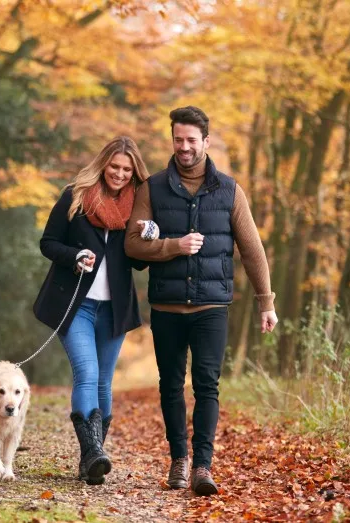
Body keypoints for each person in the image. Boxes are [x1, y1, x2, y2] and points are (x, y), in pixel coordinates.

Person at [125, 106, 279, 496]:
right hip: (166, 307)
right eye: (178, 140)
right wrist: (173, 247)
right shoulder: (152, 189)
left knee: (207, 386)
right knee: (171, 386)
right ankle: (179, 460)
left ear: (206, 142)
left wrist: (266, 302)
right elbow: (132, 245)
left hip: (212, 307)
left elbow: (252, 250)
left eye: (192, 140)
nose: (185, 147)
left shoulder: (229, 191)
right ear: (172, 140)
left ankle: (203, 467)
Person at [33, 136, 150, 485]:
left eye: (126, 170)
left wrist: (147, 236)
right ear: (103, 164)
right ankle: (94, 453)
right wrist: (74, 256)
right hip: (76, 305)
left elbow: (140, 265)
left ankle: (91, 458)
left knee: (104, 381)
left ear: (134, 173)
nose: (119, 174)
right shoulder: (76, 196)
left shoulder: (139, 208)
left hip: (114, 310)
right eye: (114, 166)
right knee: (86, 372)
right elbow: (48, 242)